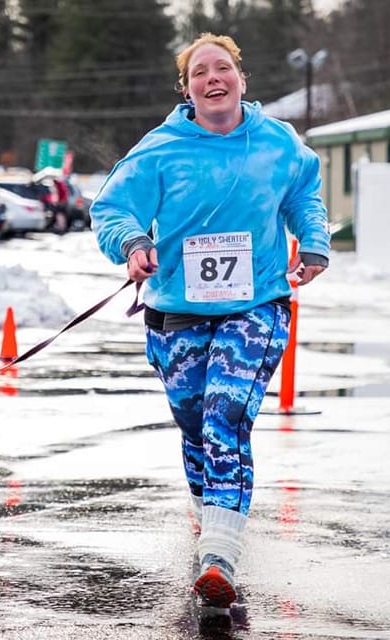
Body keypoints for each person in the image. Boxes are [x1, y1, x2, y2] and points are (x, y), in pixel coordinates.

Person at [89, 33, 330, 609]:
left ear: (242, 80)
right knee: (194, 423)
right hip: (176, 313)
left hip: (257, 305)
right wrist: (132, 243)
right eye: (200, 72)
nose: (213, 78)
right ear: (187, 87)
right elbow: (112, 209)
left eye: (223, 68)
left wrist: (313, 242)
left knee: (226, 414)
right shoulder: (159, 148)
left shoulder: (277, 142)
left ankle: (220, 556)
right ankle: (210, 516)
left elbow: (303, 194)